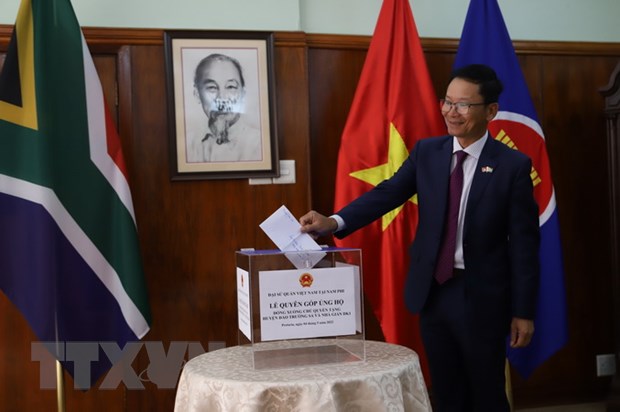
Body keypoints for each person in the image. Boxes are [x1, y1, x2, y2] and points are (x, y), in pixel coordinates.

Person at [299, 64, 540, 412]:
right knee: (445, 390)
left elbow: (524, 246)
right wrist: (334, 222)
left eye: (463, 105)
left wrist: (523, 311)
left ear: (490, 111)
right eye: (447, 102)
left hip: (481, 295)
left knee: (486, 392)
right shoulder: (428, 152)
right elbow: (387, 193)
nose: (451, 112)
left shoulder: (512, 166)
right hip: (433, 291)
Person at [187, 53, 262, 163]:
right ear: (197, 94)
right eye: (212, 87)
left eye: (231, 87)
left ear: (243, 94)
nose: (222, 98)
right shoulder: (186, 145)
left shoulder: (260, 144)